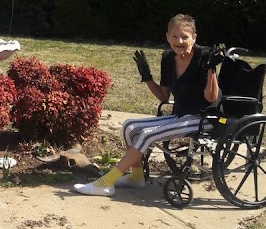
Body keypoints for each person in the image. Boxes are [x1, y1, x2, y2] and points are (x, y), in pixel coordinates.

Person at [73, 13, 222, 197]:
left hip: (204, 117)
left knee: (146, 135)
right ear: (167, 37)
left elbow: (211, 97)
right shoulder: (168, 58)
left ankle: (106, 182)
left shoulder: (205, 56)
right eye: (175, 36)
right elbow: (164, 97)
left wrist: (210, 70)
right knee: (129, 126)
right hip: (181, 114)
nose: (179, 41)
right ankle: (136, 178)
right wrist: (147, 77)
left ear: (194, 38)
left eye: (185, 36)